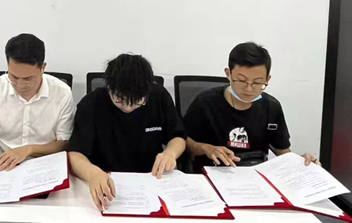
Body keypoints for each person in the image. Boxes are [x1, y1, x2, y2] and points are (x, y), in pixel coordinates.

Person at [68, 54, 187, 212]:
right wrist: (93, 173)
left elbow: (178, 136)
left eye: (137, 102)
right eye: (119, 100)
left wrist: (170, 153)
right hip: (105, 181)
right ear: (109, 87)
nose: (128, 108)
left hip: (151, 179)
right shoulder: (91, 104)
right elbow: (75, 153)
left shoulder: (159, 96)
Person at [184, 42, 319, 172]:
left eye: (257, 82)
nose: (249, 89)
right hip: (211, 174)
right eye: (241, 80)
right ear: (228, 74)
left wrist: (301, 163)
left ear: (267, 79)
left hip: (255, 176)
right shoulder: (205, 102)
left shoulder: (272, 107)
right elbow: (183, 141)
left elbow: (283, 153)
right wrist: (206, 148)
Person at [0, 33, 74, 175]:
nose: (20, 85)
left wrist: (29, 149)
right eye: (14, 77)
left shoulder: (61, 92)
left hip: (45, 170)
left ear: (43, 68)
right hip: (3, 170)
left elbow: (64, 144)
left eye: (28, 79)